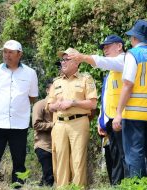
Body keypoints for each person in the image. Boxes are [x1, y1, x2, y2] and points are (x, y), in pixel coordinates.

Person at [113, 19, 147, 179]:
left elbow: (128, 85)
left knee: (134, 153)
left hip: (134, 114)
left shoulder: (133, 54)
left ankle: (137, 186)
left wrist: (118, 113)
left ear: (135, 38)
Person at [68, 35, 127, 185]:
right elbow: (107, 98)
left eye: (107, 46)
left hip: (122, 119)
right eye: (103, 48)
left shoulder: (124, 60)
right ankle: (117, 185)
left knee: (122, 157)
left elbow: (102, 62)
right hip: (111, 120)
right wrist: (102, 120)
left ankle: (122, 186)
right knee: (114, 156)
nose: (104, 50)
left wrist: (82, 57)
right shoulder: (113, 70)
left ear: (119, 46)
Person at [0, 40, 38, 184]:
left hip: (19, 124)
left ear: (19, 54)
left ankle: (18, 187)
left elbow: (32, 97)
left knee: (19, 161)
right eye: (5, 52)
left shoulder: (30, 73)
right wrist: (0, 107)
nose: (6, 55)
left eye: (10, 52)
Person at [47, 47, 97, 187]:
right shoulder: (56, 82)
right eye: (62, 60)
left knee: (78, 160)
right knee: (60, 159)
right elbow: (50, 106)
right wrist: (57, 106)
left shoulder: (86, 79)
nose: (63, 62)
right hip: (60, 123)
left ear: (76, 62)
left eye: (66, 59)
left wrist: (73, 103)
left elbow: (92, 104)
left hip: (79, 122)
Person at [32, 79, 54, 187]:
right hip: (43, 146)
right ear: (47, 90)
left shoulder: (58, 106)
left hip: (55, 147)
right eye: (53, 89)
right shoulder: (40, 104)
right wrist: (53, 125)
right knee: (49, 176)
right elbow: (36, 125)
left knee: (48, 177)